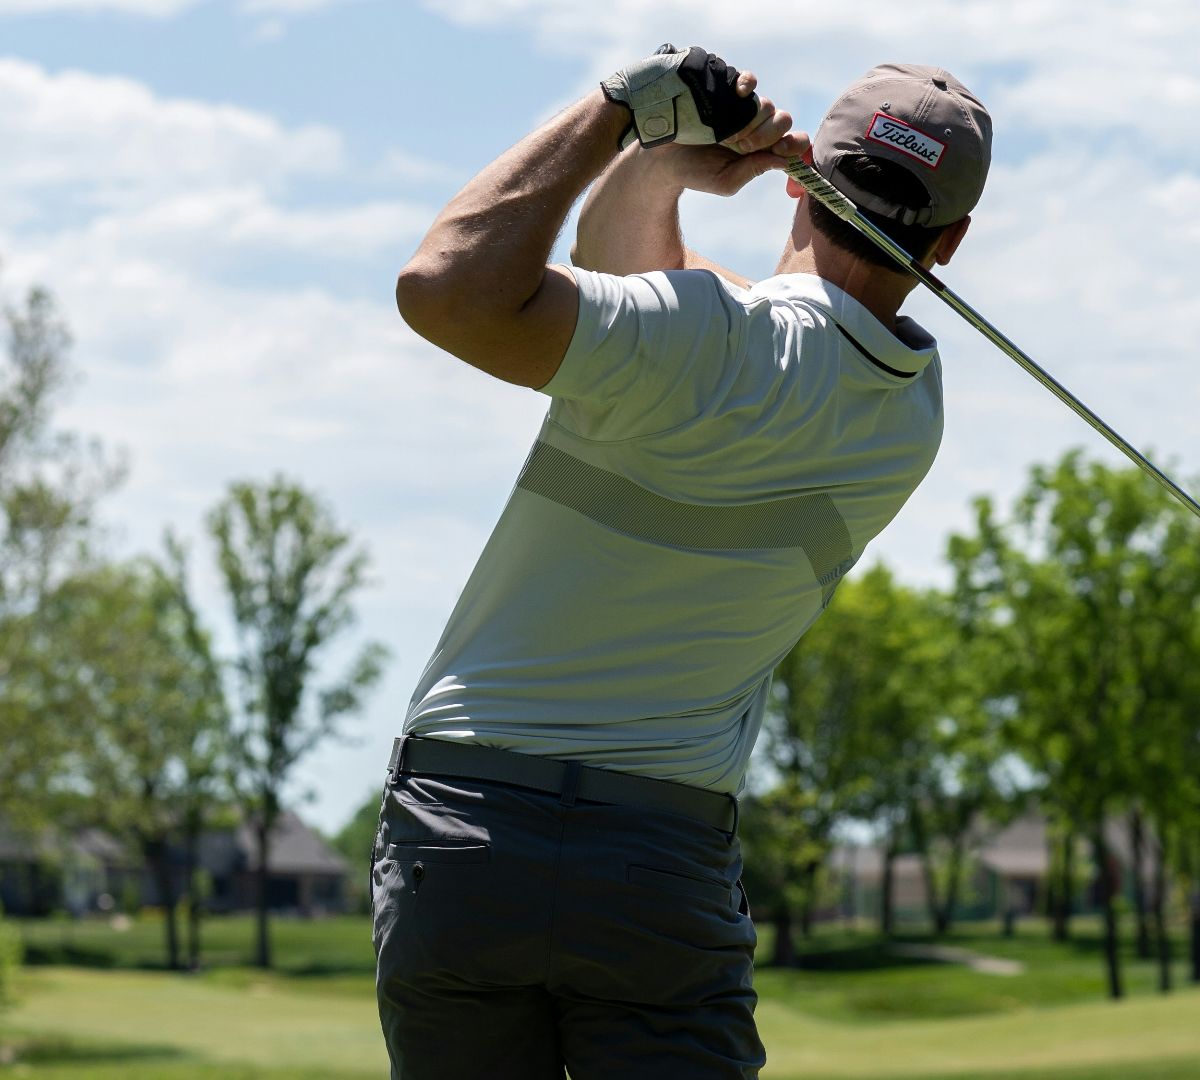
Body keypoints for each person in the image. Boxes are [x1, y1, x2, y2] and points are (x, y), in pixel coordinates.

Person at [379, 45, 994, 1079]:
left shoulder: (687, 338)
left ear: (803, 176)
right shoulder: (910, 419)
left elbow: (446, 290)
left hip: (466, 832)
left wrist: (624, 115)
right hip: (656, 867)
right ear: (954, 239)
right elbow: (678, 303)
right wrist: (656, 174)